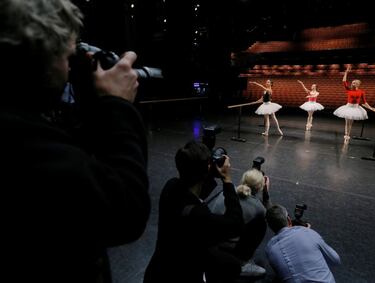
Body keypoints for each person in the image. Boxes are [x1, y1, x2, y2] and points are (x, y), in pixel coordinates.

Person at [0, 1, 150, 282]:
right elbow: (126, 211)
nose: (69, 69)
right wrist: (117, 105)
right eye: (66, 57)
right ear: (40, 56)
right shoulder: (27, 146)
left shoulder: (25, 120)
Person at [144, 140, 245, 283]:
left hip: (158, 270)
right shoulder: (199, 215)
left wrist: (208, 172)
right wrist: (227, 180)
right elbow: (235, 224)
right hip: (182, 275)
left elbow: (194, 191)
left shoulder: (170, 186)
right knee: (232, 266)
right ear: (206, 169)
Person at [208, 168, 272, 278]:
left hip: (209, 239)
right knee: (261, 224)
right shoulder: (259, 207)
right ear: (260, 188)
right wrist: (266, 194)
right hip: (227, 247)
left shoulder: (227, 190)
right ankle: (242, 262)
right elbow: (271, 215)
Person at [265, 204, 341, 283]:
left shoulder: (269, 249)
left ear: (270, 226)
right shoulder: (308, 233)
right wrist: (309, 234)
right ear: (289, 219)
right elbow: (335, 260)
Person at [334, 65, 374, 143]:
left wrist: (370, 107)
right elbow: (344, 82)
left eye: (355, 83)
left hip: (355, 108)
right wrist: (346, 72)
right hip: (348, 107)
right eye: (352, 83)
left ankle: (348, 135)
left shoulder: (361, 92)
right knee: (346, 122)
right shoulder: (349, 90)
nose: (353, 84)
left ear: (358, 84)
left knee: (350, 123)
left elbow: (364, 102)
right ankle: (346, 135)